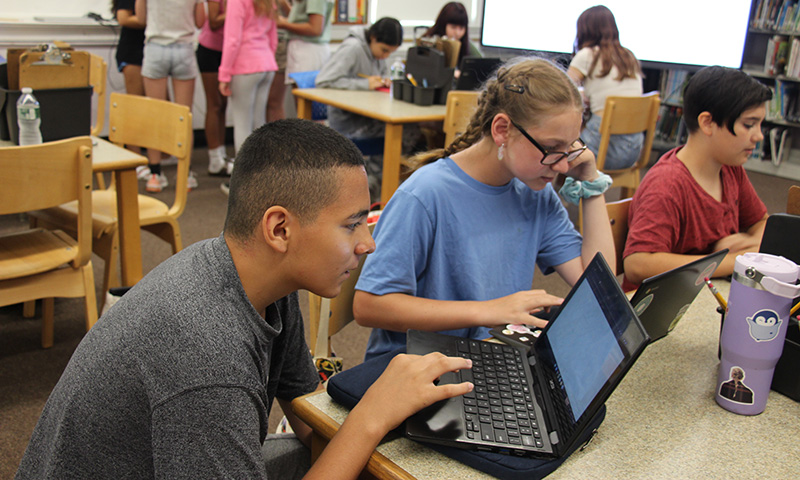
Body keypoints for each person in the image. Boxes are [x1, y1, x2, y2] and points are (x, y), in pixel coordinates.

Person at [14, 119, 474, 480]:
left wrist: (395, 424)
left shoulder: (260, 279)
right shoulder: (205, 351)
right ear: (279, 229)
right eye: (352, 224)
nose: (368, 243)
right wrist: (371, 417)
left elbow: (305, 407)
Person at [352, 57, 616, 360]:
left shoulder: (536, 193)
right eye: (552, 148)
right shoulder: (426, 194)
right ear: (502, 129)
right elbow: (369, 305)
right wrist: (487, 311)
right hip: (417, 368)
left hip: (489, 357)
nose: (564, 164)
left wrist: (591, 185)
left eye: (570, 147)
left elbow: (600, 286)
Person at [622, 66, 770, 291]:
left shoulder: (730, 169)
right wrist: (732, 260)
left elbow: (761, 222)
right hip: (663, 307)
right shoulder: (667, 184)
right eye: (749, 125)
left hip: (705, 291)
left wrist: (755, 242)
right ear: (707, 123)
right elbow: (638, 264)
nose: (758, 136)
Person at [316, 17, 419, 201]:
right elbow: (324, 81)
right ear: (372, 37)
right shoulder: (353, 48)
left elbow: (373, 79)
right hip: (349, 122)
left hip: (368, 117)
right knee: (404, 134)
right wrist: (365, 84)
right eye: (384, 50)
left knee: (411, 131)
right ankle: (376, 188)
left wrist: (382, 81)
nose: (385, 56)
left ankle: (376, 186)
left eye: (390, 53)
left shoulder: (375, 52)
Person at [135, 0, 205, 193]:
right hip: (184, 49)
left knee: (154, 115)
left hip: (156, 48)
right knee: (184, 116)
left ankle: (155, 175)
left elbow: (141, 18)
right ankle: (186, 175)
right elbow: (200, 21)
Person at [567, 5, 644, 170]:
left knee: (558, 149)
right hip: (633, 152)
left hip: (601, 150)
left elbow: (562, 90)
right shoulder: (629, 56)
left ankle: (554, 194)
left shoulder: (587, 55)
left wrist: (581, 97)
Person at [218, 0, 279, 163]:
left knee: (242, 124)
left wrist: (224, 74)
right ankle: (261, 176)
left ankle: (243, 183)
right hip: (266, 65)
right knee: (259, 124)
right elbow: (273, 38)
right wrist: (266, 59)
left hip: (245, 66)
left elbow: (232, 40)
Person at [197, 0, 233, 176]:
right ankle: (214, 159)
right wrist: (237, 11)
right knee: (214, 104)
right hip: (209, 51)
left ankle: (221, 154)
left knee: (224, 105)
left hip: (226, 52)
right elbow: (213, 22)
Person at [278, 0, 335, 81]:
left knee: (304, 91)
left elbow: (315, 29)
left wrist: (283, 24)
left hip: (308, 51)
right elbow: (300, 19)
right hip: (304, 49)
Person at [424, 2, 481, 69]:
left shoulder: (466, 44)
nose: (457, 33)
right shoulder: (428, 42)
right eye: (453, 27)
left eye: (461, 28)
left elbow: (481, 63)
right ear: (443, 25)